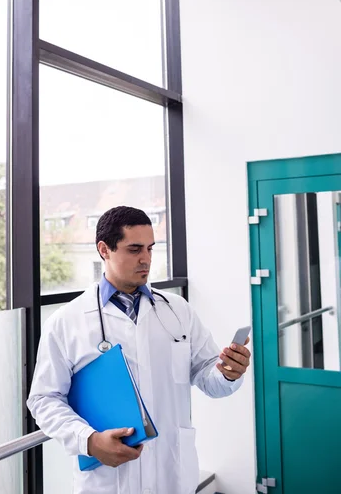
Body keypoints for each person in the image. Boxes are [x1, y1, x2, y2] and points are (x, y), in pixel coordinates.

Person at [27, 206, 250, 494]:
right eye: (134, 249)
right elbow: (44, 400)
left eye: (150, 248)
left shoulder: (177, 310)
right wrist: (89, 441)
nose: (146, 259)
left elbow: (209, 378)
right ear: (104, 249)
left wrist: (228, 373)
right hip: (108, 481)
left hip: (173, 474)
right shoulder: (66, 322)